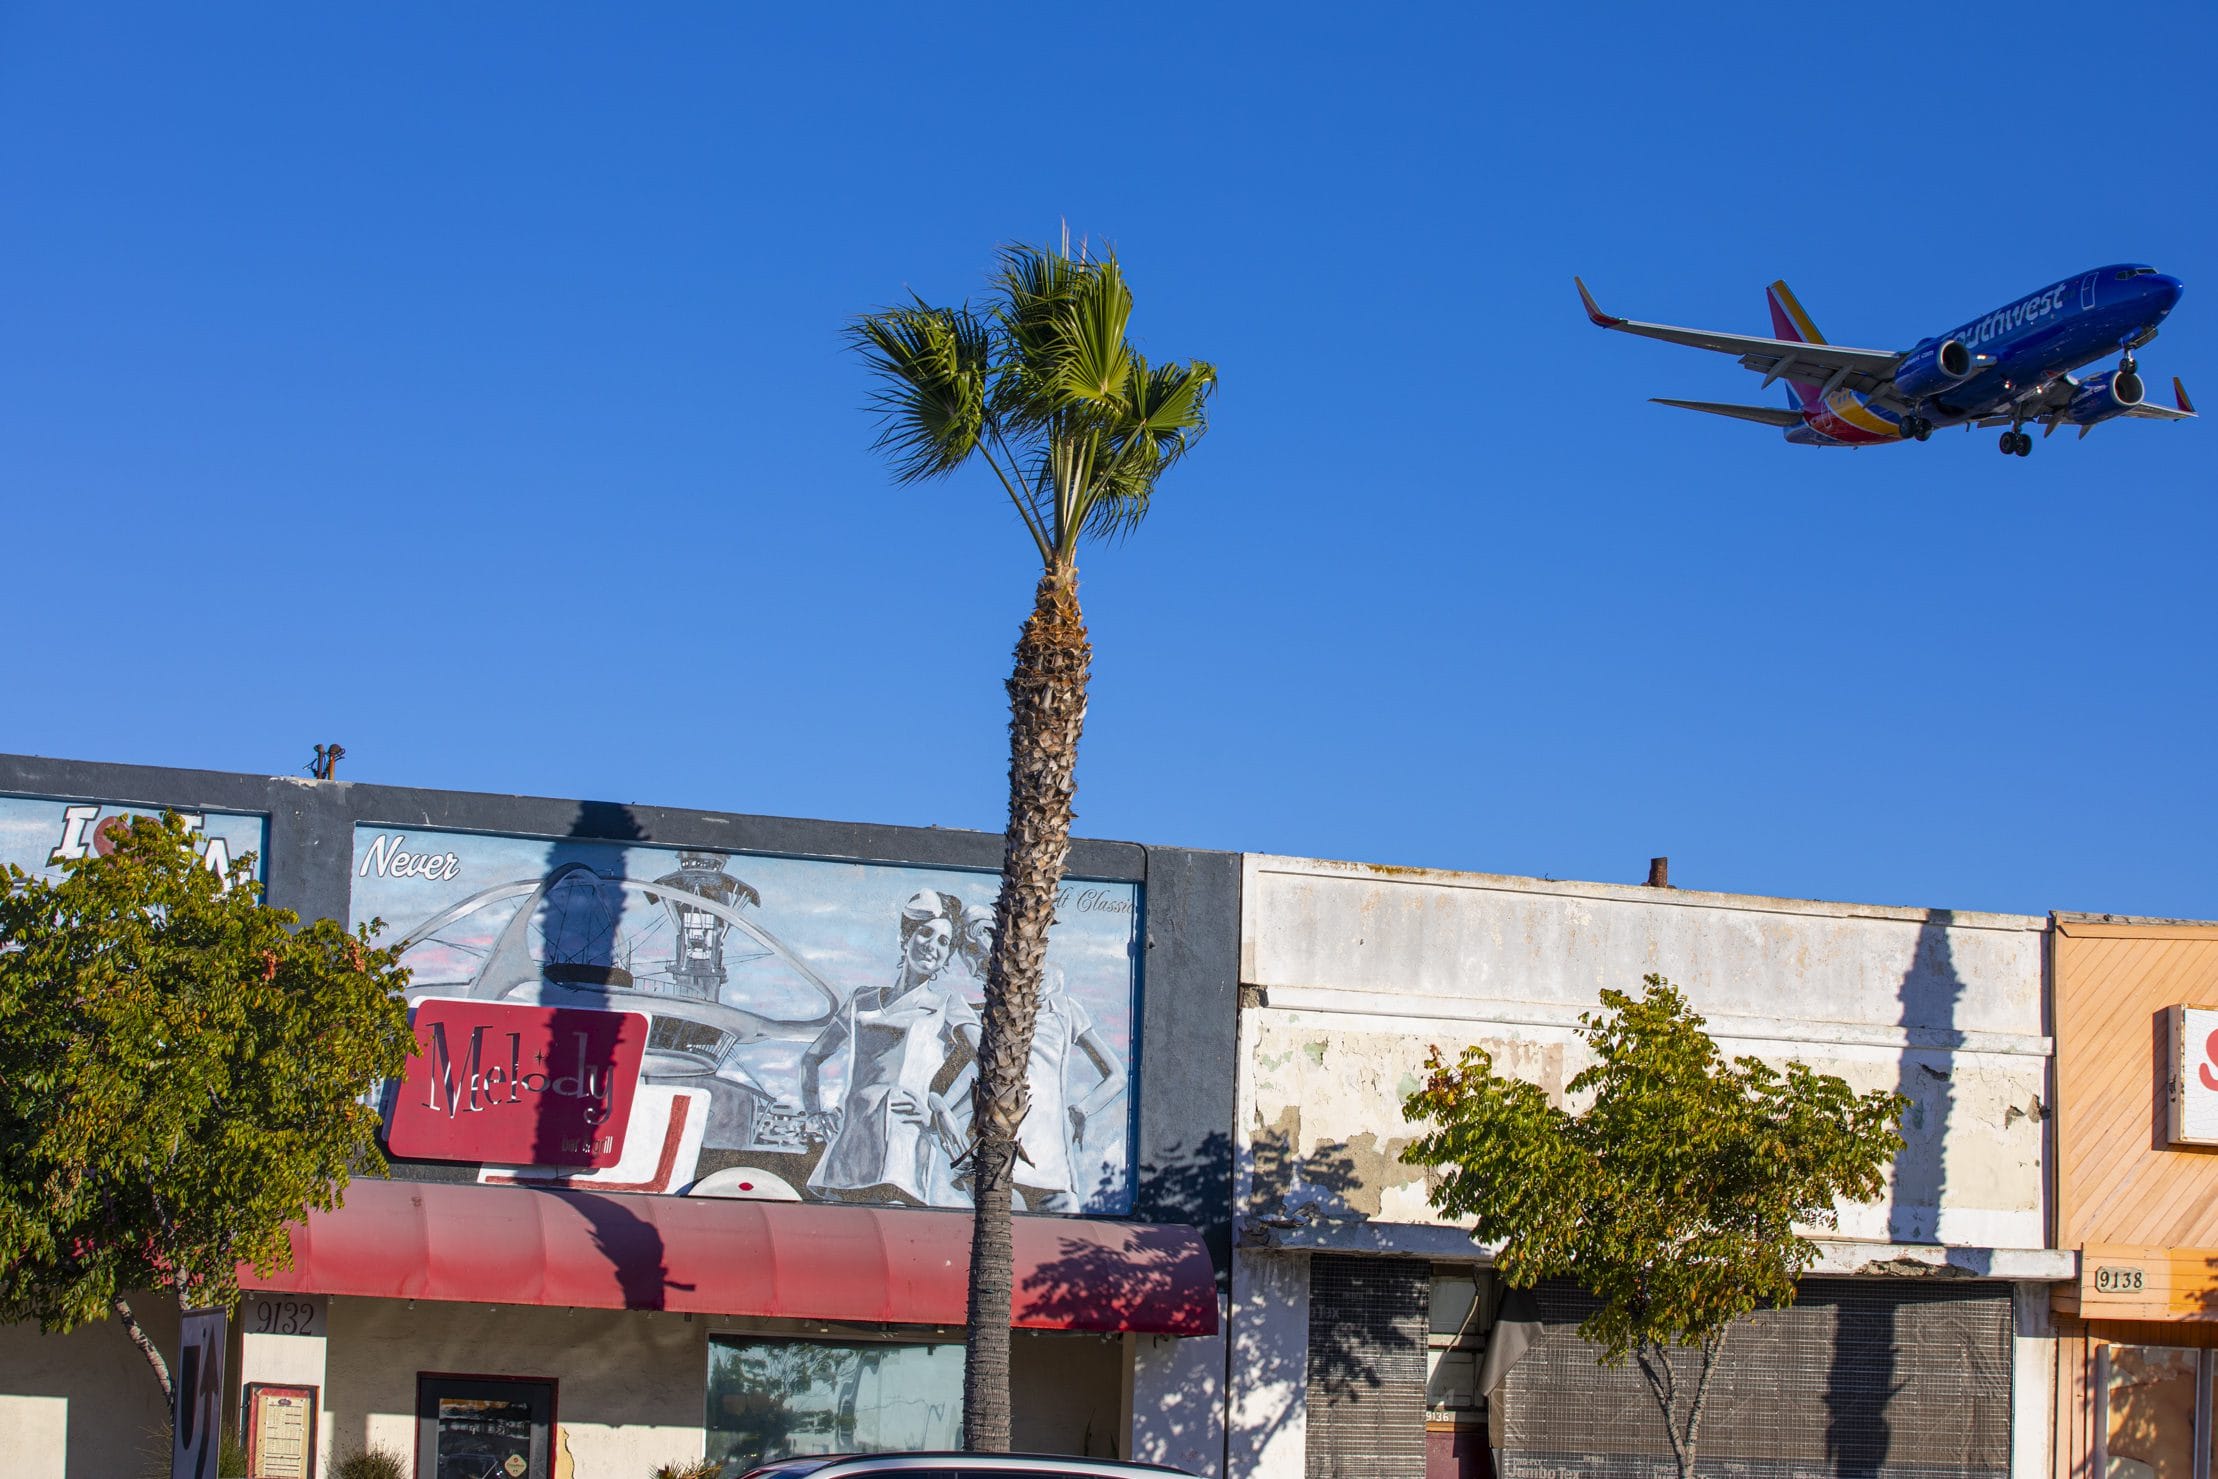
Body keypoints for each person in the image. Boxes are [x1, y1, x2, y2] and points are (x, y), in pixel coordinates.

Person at [799, 891, 980, 1206]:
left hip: (901, 1154)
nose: (933, 946)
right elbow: (812, 1059)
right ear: (905, 936)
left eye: (944, 942)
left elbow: (998, 1072)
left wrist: (939, 1114)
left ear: (949, 956)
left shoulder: (949, 1005)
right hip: (847, 1148)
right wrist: (815, 1113)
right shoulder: (861, 1000)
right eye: (926, 933)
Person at [953, 908, 1127, 1214]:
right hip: (1004, 1165)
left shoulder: (1063, 1008)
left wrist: (1081, 1109)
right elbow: (979, 1086)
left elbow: (1116, 1075)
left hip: (1057, 1169)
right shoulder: (977, 1016)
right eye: (971, 947)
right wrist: (943, 1116)